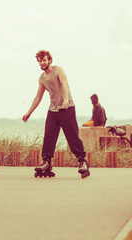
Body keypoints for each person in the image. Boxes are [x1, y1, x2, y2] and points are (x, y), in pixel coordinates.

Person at [22, 50, 90, 179]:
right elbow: (38, 97)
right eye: (40, 61)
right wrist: (29, 112)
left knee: (72, 136)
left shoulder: (58, 70)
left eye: (44, 60)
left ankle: (82, 161)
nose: (42, 62)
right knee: (49, 136)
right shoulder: (42, 78)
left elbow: (64, 84)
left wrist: (65, 99)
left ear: (49, 60)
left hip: (67, 108)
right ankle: (47, 162)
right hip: (53, 110)